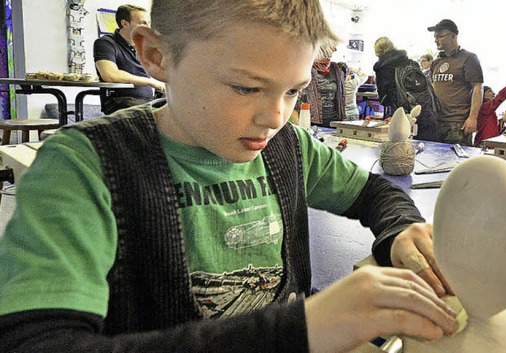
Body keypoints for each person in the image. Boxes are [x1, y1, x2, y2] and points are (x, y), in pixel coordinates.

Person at [0, 1, 458, 352]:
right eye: (246, 88)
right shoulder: (83, 167)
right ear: (156, 55)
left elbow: (373, 191)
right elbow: (38, 342)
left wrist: (400, 229)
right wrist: (302, 329)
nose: (275, 117)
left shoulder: (288, 146)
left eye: (293, 91)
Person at [93, 4, 165, 115]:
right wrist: (150, 82)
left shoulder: (144, 45)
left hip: (148, 101)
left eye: (149, 23)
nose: (148, 28)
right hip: (120, 101)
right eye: (142, 23)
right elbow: (110, 74)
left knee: (179, 109)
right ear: (125, 24)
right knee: (150, 115)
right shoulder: (106, 43)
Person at [428, 19, 484, 146]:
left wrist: (473, 118)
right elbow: (432, 88)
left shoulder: (469, 58)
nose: (436, 40)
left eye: (439, 36)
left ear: (452, 36)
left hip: (458, 123)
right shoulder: (436, 62)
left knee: (458, 163)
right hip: (437, 122)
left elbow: (478, 87)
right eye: (435, 37)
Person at [373, 37, 438, 141]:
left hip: (402, 116)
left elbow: (384, 100)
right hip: (425, 112)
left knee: (401, 150)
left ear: (377, 51)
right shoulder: (411, 63)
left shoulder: (383, 69)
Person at [300, 44, 348, 127]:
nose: (335, 49)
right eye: (331, 45)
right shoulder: (305, 68)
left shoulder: (336, 69)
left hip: (334, 122)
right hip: (311, 123)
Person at [475, 69, 506, 147]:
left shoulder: (485, 110)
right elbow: (501, 96)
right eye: (489, 91)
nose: (493, 93)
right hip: (487, 144)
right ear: (483, 95)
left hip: (487, 142)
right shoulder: (484, 108)